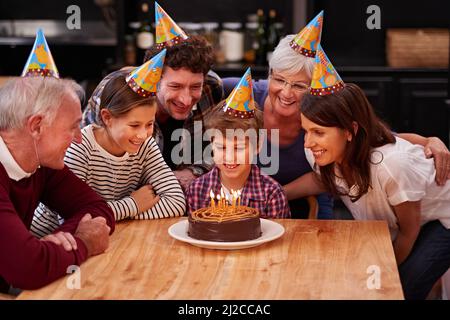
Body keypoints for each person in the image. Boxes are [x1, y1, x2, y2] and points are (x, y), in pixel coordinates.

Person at [224, 36, 450, 218]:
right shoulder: (243, 93)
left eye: (299, 85)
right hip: (244, 203)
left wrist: (430, 141)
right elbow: (200, 84)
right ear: (270, 75)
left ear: (314, 88)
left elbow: (382, 137)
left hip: (308, 204)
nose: (286, 92)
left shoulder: (325, 114)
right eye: (280, 80)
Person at [300, 45, 450, 299]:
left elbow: (408, 230)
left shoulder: (391, 166)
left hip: (442, 219)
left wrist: (385, 270)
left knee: (401, 287)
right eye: (306, 130)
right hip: (409, 214)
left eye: (318, 132)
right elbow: (322, 180)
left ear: (350, 131)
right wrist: (282, 191)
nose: (307, 142)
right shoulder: (324, 152)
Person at [31, 50, 186, 238]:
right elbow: (75, 222)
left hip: (108, 235)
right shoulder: (80, 148)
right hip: (46, 240)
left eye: (149, 124)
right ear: (107, 117)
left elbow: (176, 202)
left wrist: (111, 215)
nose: (143, 134)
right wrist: (133, 205)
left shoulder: (145, 144)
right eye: (134, 125)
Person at [82, 6, 223, 190]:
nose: (186, 100)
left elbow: (220, 146)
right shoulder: (114, 93)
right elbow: (85, 160)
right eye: (175, 86)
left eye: (195, 86)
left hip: (182, 198)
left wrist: (193, 171)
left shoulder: (212, 88)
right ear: (154, 80)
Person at [0, 76, 115, 293]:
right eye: (73, 127)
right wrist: (84, 242)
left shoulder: (42, 163)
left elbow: (98, 209)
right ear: (36, 126)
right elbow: (28, 267)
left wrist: (57, 245)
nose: (79, 139)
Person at [186, 69, 290, 218]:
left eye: (238, 148)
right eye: (221, 147)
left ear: (258, 145)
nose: (229, 157)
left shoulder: (272, 194)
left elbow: (279, 240)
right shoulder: (196, 191)